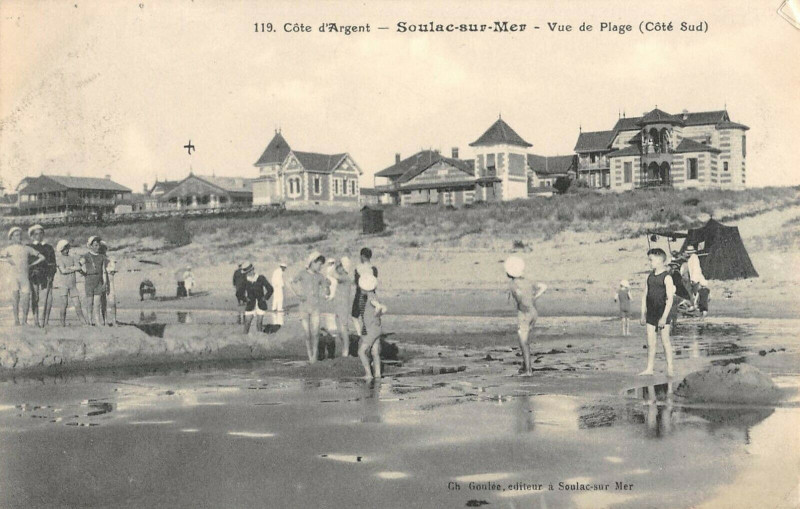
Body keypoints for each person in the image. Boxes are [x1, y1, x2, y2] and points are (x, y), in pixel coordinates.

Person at [505, 256, 547, 377]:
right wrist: (535, 296)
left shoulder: (513, 284)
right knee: (526, 340)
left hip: (524, 313)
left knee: (523, 342)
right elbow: (544, 286)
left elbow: (518, 299)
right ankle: (525, 366)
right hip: (534, 312)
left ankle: (528, 370)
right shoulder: (528, 281)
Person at [639, 248, 676, 377]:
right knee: (650, 342)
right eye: (649, 260)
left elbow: (670, 299)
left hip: (663, 313)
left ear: (660, 260)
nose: (650, 263)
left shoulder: (667, 277)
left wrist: (664, 317)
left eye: (651, 260)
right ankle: (649, 368)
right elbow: (644, 295)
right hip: (651, 313)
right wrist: (642, 313)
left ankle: (670, 368)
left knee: (665, 341)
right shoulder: (649, 277)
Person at [0, 227, 45, 325]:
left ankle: (24, 320)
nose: (19, 237)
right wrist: (6, 260)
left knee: (26, 299)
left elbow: (42, 257)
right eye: (16, 235)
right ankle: (16, 320)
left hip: (25, 277)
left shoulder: (27, 248)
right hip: (14, 277)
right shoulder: (9, 249)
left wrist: (32, 265)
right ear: (11, 237)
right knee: (15, 298)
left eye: (20, 235)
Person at [291, 252, 330, 363]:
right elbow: (291, 282)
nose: (320, 266)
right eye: (319, 264)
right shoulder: (302, 273)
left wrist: (328, 287)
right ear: (312, 263)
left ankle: (314, 357)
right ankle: (310, 355)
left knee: (316, 332)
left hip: (315, 307)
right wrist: (298, 294)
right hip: (303, 307)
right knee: (307, 333)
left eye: (322, 264)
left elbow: (327, 291)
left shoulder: (320, 276)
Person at [355, 273, 387, 380]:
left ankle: (368, 374)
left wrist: (377, 311)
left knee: (361, 352)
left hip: (371, 329)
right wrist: (378, 313)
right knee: (375, 351)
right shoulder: (374, 296)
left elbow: (379, 306)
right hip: (377, 328)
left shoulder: (369, 297)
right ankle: (377, 374)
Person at [27, 224, 57, 327]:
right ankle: (36, 321)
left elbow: (53, 262)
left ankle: (46, 321)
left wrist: (51, 274)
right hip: (34, 275)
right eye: (36, 234)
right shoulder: (29, 247)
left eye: (41, 233)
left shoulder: (49, 247)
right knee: (35, 297)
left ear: (43, 234)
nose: (39, 236)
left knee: (49, 298)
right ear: (32, 236)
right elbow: (28, 263)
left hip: (47, 275)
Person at [54, 240, 88, 326]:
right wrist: (74, 268)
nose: (67, 250)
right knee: (64, 304)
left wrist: (73, 268)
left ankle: (83, 322)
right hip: (63, 284)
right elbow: (63, 271)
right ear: (61, 249)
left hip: (72, 284)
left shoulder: (72, 258)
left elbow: (78, 267)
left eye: (67, 248)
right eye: (65, 248)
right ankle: (62, 323)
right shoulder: (59, 259)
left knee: (77, 303)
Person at [80, 236, 107, 326]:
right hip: (89, 281)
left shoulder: (102, 256)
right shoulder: (87, 256)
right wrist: (83, 273)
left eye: (98, 245)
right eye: (95, 245)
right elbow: (79, 264)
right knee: (89, 302)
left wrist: (105, 282)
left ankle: (97, 321)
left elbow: (103, 270)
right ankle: (89, 321)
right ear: (90, 246)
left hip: (99, 281)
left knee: (97, 303)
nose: (97, 247)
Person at [330, 257, 355, 357]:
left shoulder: (345, 277)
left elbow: (332, 273)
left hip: (343, 306)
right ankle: (345, 349)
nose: (338, 268)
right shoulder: (344, 277)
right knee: (340, 329)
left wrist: (334, 265)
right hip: (339, 305)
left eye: (340, 267)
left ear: (343, 268)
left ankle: (346, 350)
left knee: (343, 329)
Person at [241, 262, 273, 334]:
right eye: (246, 272)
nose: (248, 273)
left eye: (249, 271)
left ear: (252, 270)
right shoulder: (244, 280)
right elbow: (239, 293)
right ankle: (244, 341)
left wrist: (265, 297)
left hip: (260, 304)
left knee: (259, 324)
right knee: (247, 324)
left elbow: (270, 289)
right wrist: (245, 299)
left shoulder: (261, 278)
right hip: (250, 305)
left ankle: (260, 340)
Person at [352, 247, 378, 325]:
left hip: (360, 294)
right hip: (371, 294)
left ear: (362, 256)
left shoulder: (358, 268)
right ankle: (369, 333)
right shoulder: (374, 269)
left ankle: (360, 333)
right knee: (369, 315)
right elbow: (374, 282)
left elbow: (357, 282)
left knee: (355, 316)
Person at [98, 241, 118, 326]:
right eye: (100, 249)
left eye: (103, 249)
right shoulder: (97, 260)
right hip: (101, 282)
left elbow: (112, 271)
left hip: (110, 282)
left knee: (112, 302)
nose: (102, 250)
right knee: (103, 302)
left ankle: (114, 321)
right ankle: (105, 321)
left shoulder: (110, 260)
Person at [268, 260, 290, 333]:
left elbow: (273, 279)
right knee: (280, 298)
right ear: (282, 267)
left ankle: (274, 308)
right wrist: (282, 285)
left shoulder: (276, 271)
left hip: (275, 286)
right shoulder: (279, 272)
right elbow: (280, 280)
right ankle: (279, 308)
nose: (285, 269)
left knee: (276, 298)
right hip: (278, 286)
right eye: (284, 267)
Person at [684, 245, 707, 310]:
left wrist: (694, 279)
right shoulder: (691, 258)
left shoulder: (694, 258)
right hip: (694, 277)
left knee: (696, 292)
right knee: (695, 292)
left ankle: (695, 305)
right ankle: (695, 305)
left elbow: (696, 269)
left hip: (696, 277)